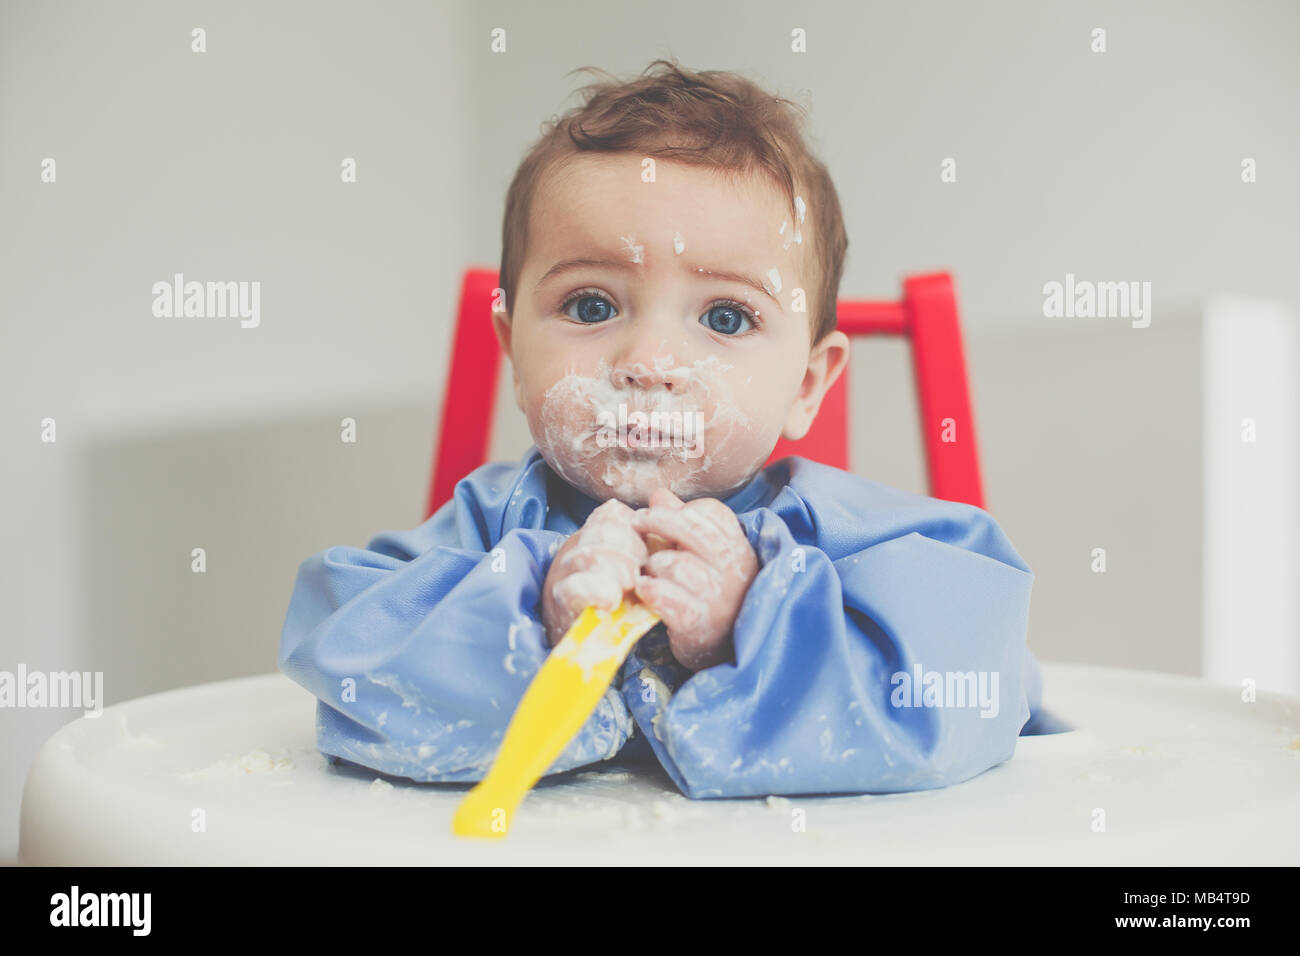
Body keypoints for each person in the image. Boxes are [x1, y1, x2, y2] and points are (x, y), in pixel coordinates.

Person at [279, 59, 1054, 800]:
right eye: (591, 305)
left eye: (725, 316)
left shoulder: (843, 538)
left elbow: (982, 679)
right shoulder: (489, 526)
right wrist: (530, 616)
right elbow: (344, 648)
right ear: (513, 353)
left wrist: (756, 622)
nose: (649, 363)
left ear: (807, 383)